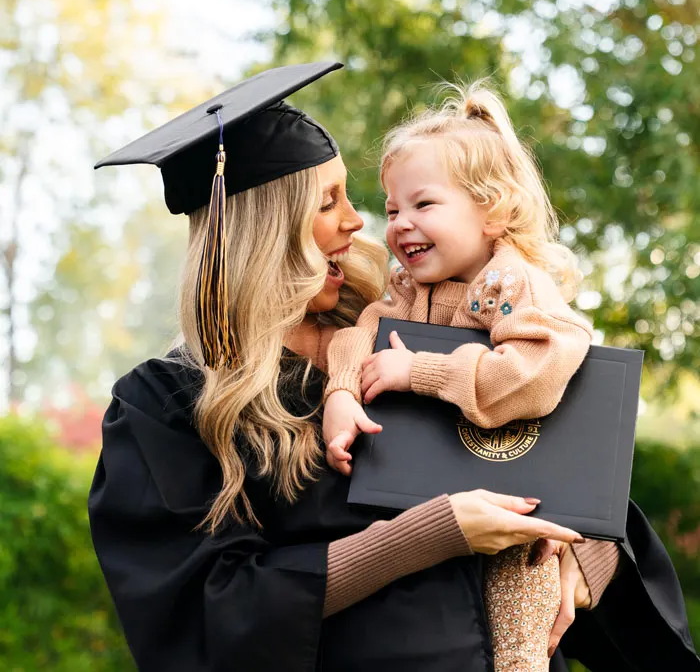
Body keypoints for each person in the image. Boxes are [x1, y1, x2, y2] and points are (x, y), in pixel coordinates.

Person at [88, 62, 700, 671]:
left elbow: (568, 472)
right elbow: (208, 611)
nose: (359, 223)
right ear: (268, 228)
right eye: (330, 202)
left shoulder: (413, 331)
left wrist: (579, 555)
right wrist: (427, 536)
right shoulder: (170, 404)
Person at [321, 80, 593, 669]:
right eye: (392, 210)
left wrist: (420, 371)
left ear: (492, 209)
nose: (399, 225)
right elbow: (358, 336)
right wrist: (342, 391)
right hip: (433, 502)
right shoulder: (405, 288)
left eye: (424, 205)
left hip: (517, 511)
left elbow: (533, 372)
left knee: (521, 648)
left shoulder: (509, 285)